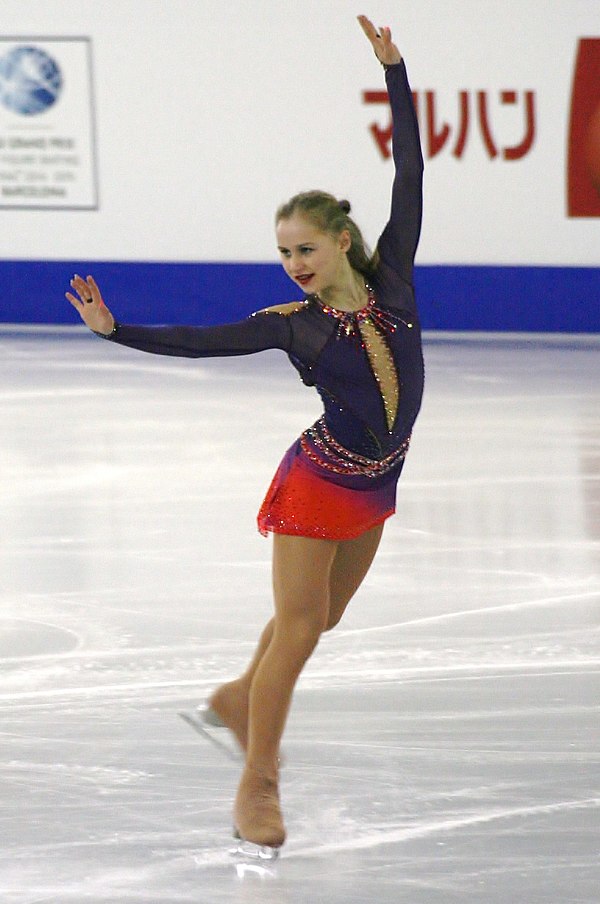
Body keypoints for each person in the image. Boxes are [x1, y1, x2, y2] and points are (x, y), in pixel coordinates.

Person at [66, 14, 424, 858]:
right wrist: (117, 330)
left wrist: (396, 73)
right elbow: (204, 339)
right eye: (282, 253)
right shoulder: (290, 325)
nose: (294, 264)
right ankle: (256, 781)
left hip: (378, 480)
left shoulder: (395, 278)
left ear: (341, 239)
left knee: (321, 619)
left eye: (305, 248)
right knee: (299, 631)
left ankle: (236, 697)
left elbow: (411, 167)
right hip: (317, 482)